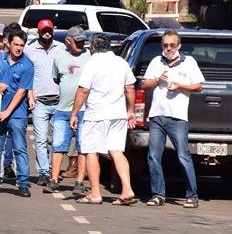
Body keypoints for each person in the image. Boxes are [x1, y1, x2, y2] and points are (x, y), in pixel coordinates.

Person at [69, 33, 138, 205]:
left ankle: (95, 192)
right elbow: (130, 88)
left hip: (97, 114)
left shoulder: (92, 62)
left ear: (92, 48)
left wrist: (74, 113)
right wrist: (130, 111)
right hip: (118, 114)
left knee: (91, 150)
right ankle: (127, 189)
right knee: (116, 150)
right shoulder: (121, 62)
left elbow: (83, 90)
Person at [142, 29, 204, 208]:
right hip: (157, 116)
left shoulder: (189, 62)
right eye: (165, 45)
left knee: (183, 155)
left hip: (177, 117)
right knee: (153, 156)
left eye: (172, 45)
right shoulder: (156, 61)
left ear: (179, 46)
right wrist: (157, 80)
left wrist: (180, 86)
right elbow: (145, 84)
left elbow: (199, 86)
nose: (168, 48)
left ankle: (192, 195)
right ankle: (158, 194)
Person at [0, 27, 35, 197]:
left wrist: (7, 112)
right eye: (16, 44)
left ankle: (22, 183)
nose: (18, 48)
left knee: (19, 148)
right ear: (8, 43)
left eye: (22, 45)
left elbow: (22, 92)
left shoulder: (27, 65)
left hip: (16, 113)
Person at [45, 26, 91, 195]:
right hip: (63, 110)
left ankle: (79, 182)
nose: (81, 44)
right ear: (68, 41)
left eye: (82, 41)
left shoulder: (89, 56)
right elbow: (57, 79)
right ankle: (54, 179)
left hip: (84, 111)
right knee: (58, 146)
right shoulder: (59, 58)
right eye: (77, 41)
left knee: (82, 148)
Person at [24, 19, 66, 185]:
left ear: (53, 30)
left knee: (56, 140)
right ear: (38, 31)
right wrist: (30, 95)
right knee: (40, 140)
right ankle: (43, 171)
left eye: (49, 30)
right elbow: (28, 75)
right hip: (39, 101)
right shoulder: (30, 50)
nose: (47, 33)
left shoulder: (61, 48)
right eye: (44, 30)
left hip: (59, 101)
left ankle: (53, 170)